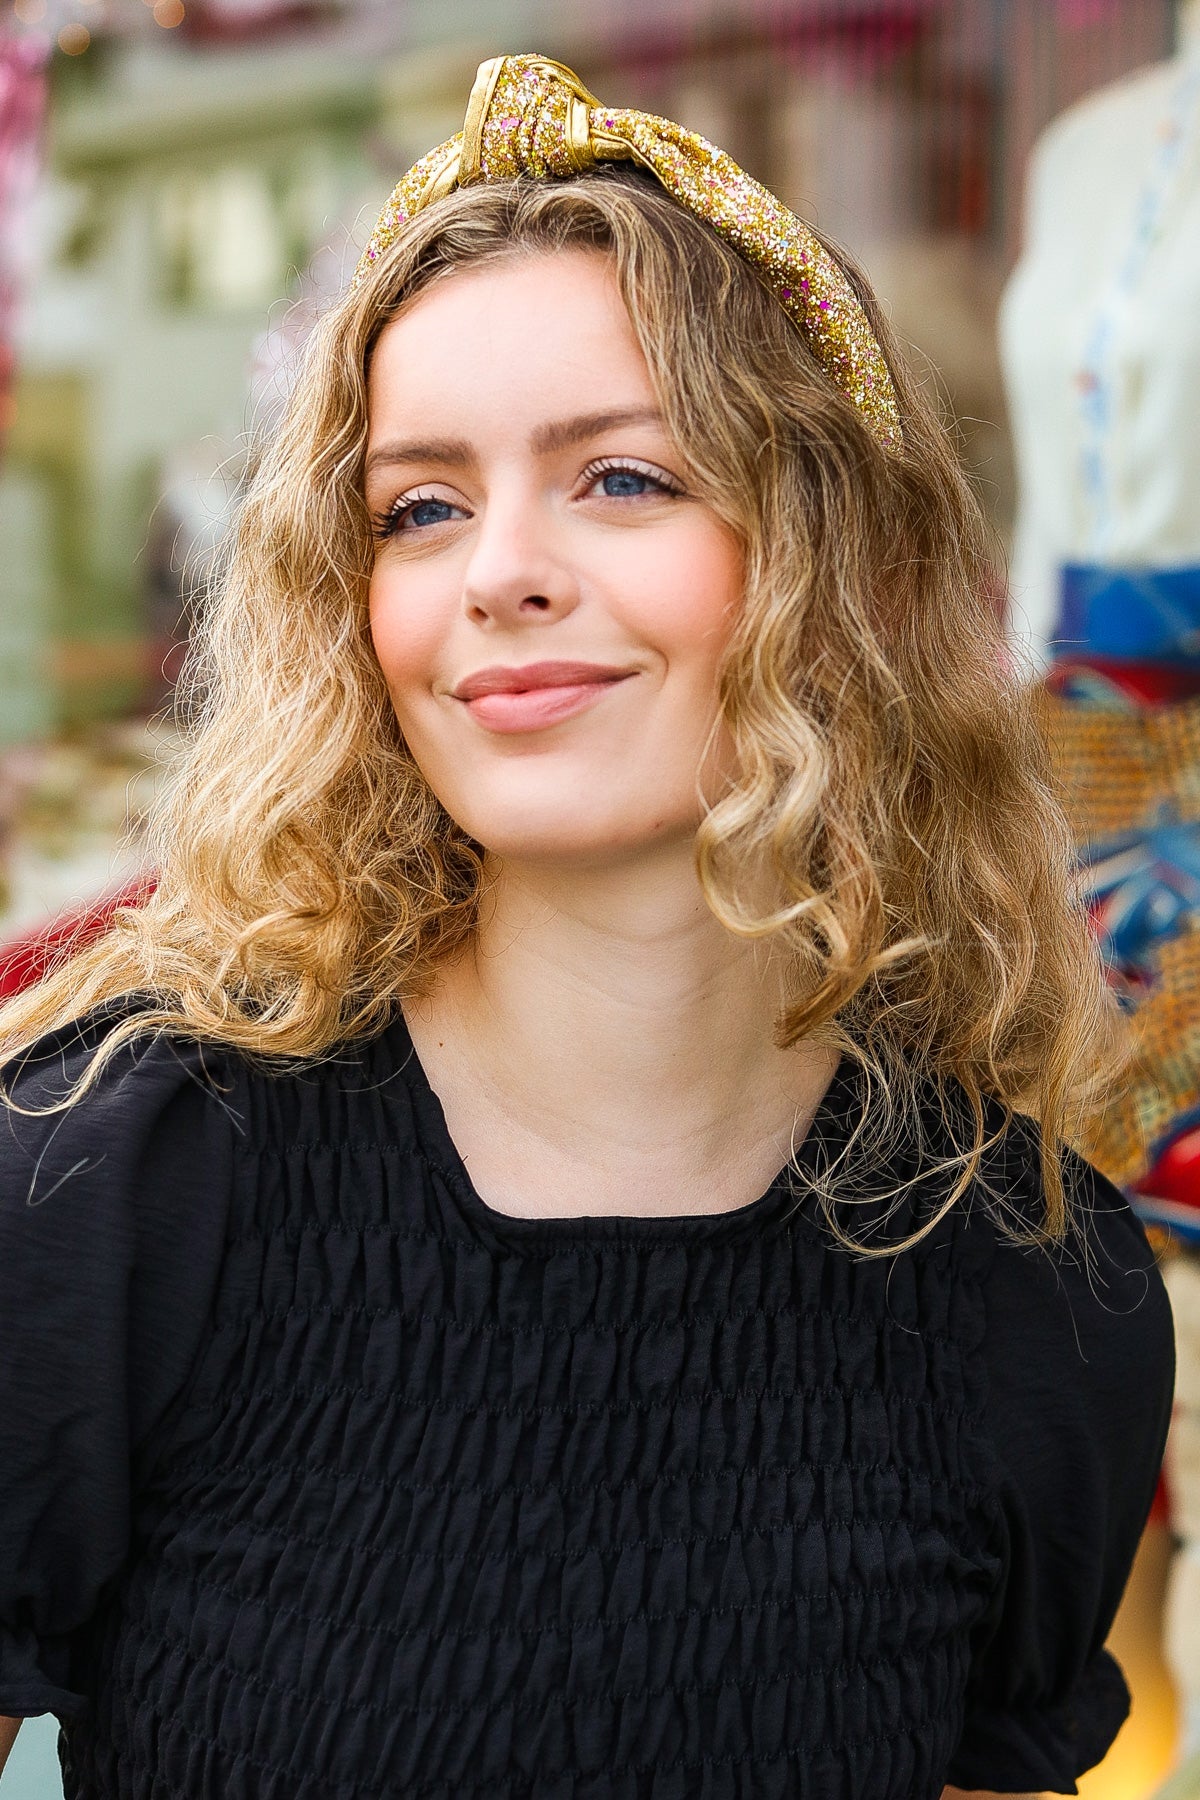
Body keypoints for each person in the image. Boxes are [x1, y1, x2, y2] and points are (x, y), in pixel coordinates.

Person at [0, 53, 1175, 1800]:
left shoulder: (1025, 1283)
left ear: (835, 565)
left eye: (621, 478)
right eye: (422, 506)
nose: (499, 572)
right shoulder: (119, 1194)